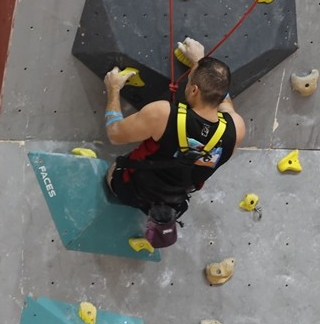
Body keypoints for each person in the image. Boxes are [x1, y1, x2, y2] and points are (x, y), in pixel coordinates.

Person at [103, 38, 246, 247]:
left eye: (189, 83)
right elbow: (225, 103)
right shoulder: (236, 128)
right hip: (176, 200)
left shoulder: (163, 114)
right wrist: (200, 61)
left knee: (115, 167)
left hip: (127, 187)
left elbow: (114, 134)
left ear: (195, 90)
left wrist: (113, 89)